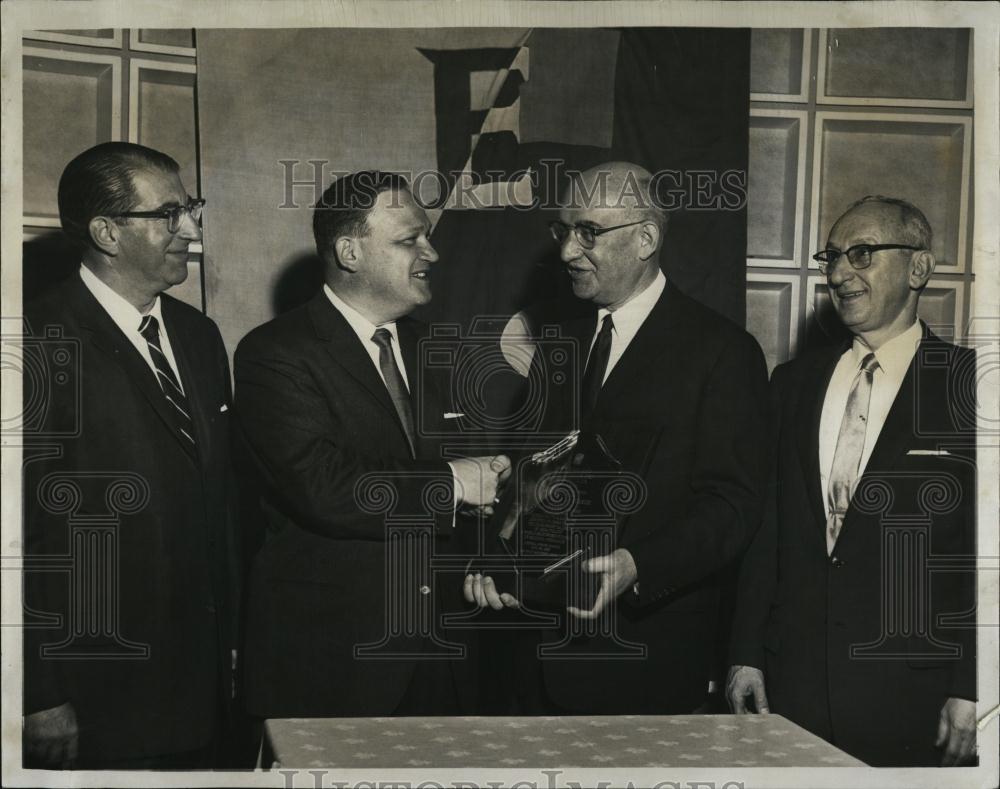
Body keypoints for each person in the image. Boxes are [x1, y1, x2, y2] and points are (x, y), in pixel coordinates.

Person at [468, 161, 769, 714]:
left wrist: (639, 564)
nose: (565, 253)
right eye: (563, 231)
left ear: (646, 238)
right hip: (526, 657)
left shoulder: (722, 352)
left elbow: (734, 505)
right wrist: (492, 559)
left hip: (640, 662)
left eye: (589, 232)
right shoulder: (558, 339)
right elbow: (525, 472)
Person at [235, 171, 510, 717]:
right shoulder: (276, 354)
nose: (431, 251)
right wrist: (454, 481)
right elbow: (323, 486)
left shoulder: (439, 349)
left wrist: (496, 548)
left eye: (427, 235)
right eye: (410, 239)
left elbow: (474, 489)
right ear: (350, 251)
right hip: (338, 660)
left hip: (448, 655)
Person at [727, 196, 977, 767]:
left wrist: (976, 683)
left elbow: (988, 557)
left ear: (918, 268)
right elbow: (767, 530)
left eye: (861, 254)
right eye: (832, 257)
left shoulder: (971, 388)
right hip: (791, 690)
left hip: (917, 695)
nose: (840, 274)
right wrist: (745, 652)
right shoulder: (791, 383)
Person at [22, 142, 240, 768]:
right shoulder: (36, 341)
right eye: (170, 214)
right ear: (107, 231)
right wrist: (38, 695)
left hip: (201, 685)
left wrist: (232, 642)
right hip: (96, 692)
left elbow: (220, 501)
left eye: (190, 208)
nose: (192, 229)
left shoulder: (199, 336)